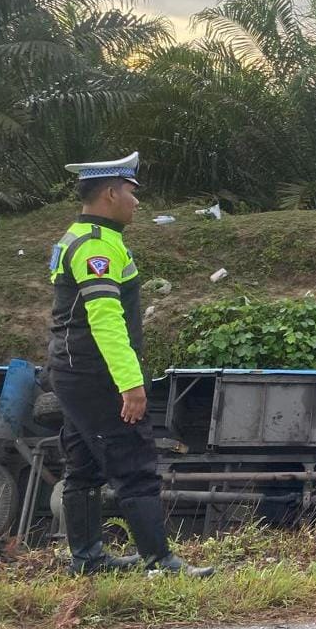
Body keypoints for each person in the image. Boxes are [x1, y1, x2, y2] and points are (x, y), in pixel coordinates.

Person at [48, 152, 212, 578]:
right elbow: (105, 321)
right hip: (96, 374)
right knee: (135, 463)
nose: (136, 202)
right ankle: (161, 562)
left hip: (73, 371)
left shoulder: (84, 236)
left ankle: (87, 559)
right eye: (131, 192)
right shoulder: (95, 247)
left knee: (83, 466)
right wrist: (130, 384)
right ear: (110, 193)